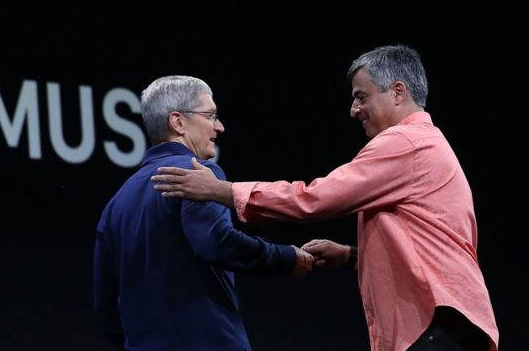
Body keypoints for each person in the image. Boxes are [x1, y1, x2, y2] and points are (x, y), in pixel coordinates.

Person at [151, 46, 499, 351]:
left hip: (436, 323)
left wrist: (222, 191)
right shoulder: (426, 145)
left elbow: (315, 199)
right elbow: (424, 247)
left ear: (397, 92)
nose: (353, 109)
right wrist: (350, 256)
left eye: (362, 97)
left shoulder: (405, 143)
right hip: (446, 325)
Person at [93, 75, 315, 350]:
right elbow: (218, 242)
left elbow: (106, 304)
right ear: (178, 122)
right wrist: (286, 257)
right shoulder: (197, 174)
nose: (219, 127)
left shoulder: (116, 204)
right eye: (210, 115)